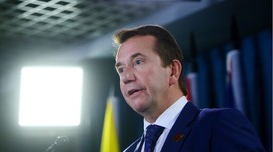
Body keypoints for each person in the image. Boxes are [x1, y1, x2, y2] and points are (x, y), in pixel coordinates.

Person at [113, 24, 265, 152]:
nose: (126, 77)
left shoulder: (216, 125)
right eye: (121, 70)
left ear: (173, 70)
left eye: (138, 62)